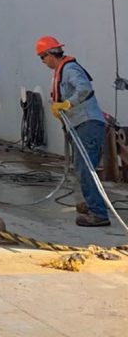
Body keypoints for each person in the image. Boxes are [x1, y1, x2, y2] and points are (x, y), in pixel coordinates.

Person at [36, 36, 109, 227]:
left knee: (86, 170)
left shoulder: (69, 69)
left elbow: (84, 88)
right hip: (80, 125)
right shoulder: (62, 71)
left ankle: (98, 214)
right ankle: (91, 204)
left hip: (87, 124)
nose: (43, 62)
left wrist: (68, 104)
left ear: (49, 54)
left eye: (42, 58)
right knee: (81, 168)